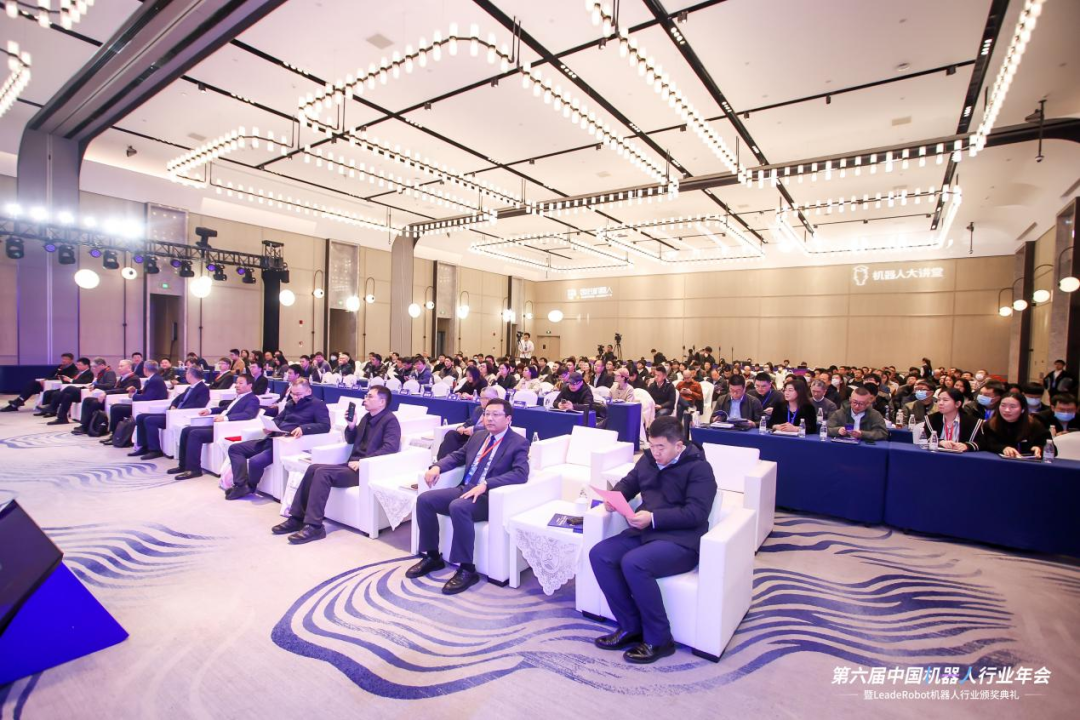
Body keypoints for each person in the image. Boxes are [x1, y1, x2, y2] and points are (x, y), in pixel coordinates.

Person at [589, 416, 716, 664]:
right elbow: (629, 483)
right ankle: (630, 626)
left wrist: (654, 518)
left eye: (661, 447)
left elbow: (697, 513)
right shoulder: (648, 459)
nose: (655, 453)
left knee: (634, 563)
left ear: (678, 445)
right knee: (600, 555)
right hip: (645, 532)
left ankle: (660, 639)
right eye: (651, 446)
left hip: (682, 541)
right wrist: (615, 497)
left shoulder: (699, 468)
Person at [407, 399, 530, 594]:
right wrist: (437, 466)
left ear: (508, 419)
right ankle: (432, 556)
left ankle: (467, 569)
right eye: (487, 414)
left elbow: (521, 473)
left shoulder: (518, 442)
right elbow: (457, 456)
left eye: (496, 414)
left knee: (458, 506)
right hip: (465, 488)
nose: (489, 418)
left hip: (489, 497)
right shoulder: (479, 436)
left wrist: (487, 484)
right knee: (424, 500)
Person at [273, 385, 401, 544]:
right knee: (313, 468)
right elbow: (351, 440)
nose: (365, 399)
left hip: (367, 469)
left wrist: (363, 462)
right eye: (366, 395)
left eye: (370, 396)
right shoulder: (367, 417)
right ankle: (297, 518)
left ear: (382, 402)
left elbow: (390, 448)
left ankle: (315, 526)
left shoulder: (390, 421)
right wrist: (352, 425)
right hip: (352, 464)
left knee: (322, 473)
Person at [225, 379, 331, 500]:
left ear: (309, 391)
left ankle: (250, 486)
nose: (295, 397)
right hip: (271, 439)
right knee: (235, 449)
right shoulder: (290, 403)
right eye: (293, 394)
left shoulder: (318, 405)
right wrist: (271, 426)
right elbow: (279, 418)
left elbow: (325, 426)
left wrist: (304, 428)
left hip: (286, 444)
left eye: (299, 394)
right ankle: (240, 485)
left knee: (255, 461)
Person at [167, 374, 262, 480]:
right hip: (218, 425)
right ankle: (183, 465)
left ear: (250, 385)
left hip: (227, 428)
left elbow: (248, 414)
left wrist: (225, 418)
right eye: (236, 383)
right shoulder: (239, 397)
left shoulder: (253, 399)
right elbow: (226, 408)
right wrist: (210, 410)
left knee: (195, 434)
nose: (237, 385)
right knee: (186, 430)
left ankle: (194, 469)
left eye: (240, 383)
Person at [126, 364, 207, 458]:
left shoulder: (203, 389)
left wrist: (179, 410)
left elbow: (198, 405)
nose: (185, 375)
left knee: (149, 420)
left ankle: (155, 450)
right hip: (173, 413)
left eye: (187, 373)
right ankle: (144, 446)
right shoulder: (190, 387)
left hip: (181, 415)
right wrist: (173, 405)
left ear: (191, 375)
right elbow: (177, 399)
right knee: (140, 417)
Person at [100, 361, 171, 443]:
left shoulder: (155, 380)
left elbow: (147, 397)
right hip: (145, 404)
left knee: (117, 409)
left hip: (148, 406)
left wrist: (133, 396)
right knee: (115, 407)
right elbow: (147, 393)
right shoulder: (154, 378)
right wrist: (136, 391)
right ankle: (114, 434)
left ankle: (116, 435)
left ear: (145, 369)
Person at [72, 359, 140, 435]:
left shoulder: (134, 378)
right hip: (112, 397)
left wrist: (106, 393)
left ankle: (88, 427)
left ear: (129, 368)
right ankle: (84, 425)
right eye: (118, 366)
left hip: (119, 399)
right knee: (87, 400)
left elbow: (124, 390)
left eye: (121, 366)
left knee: (94, 403)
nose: (119, 368)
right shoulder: (123, 377)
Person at [980, 390, 1051, 458]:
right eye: (1003, 405)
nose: (1007, 410)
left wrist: (1040, 448)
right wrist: (1003, 448)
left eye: (1012, 406)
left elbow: (1052, 448)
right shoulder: (990, 425)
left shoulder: (1034, 425)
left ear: (1022, 409)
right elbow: (987, 444)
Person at [47, 357, 116, 425]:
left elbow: (110, 385)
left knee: (69, 388)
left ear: (102, 365)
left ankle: (52, 407)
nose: (94, 369)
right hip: (89, 391)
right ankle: (62, 418)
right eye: (93, 367)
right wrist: (90, 385)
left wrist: (95, 386)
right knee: (67, 396)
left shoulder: (109, 372)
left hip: (95, 394)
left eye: (95, 367)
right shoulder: (101, 373)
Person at [2, 353, 79, 413]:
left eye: (66, 359)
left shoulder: (74, 369)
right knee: (32, 384)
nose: (63, 360)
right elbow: (51, 375)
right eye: (63, 359)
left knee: (35, 386)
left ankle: (17, 403)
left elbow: (63, 378)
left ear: (71, 360)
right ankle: (18, 401)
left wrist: (47, 380)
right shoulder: (60, 366)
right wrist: (45, 379)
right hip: (49, 384)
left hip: (58, 386)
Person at [923, 388, 983, 452]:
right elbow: (926, 438)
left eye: (945, 400)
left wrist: (967, 446)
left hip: (963, 456)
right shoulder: (931, 419)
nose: (940, 403)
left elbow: (981, 443)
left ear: (957, 404)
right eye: (939, 400)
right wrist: (940, 442)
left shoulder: (973, 422)